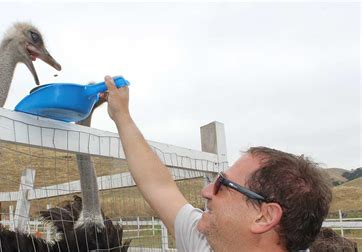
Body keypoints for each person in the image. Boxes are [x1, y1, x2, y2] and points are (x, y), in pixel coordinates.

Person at [102, 75, 333, 252]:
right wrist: (121, 115)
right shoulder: (207, 242)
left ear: (264, 216)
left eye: (223, 184)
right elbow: (159, 186)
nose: (206, 190)